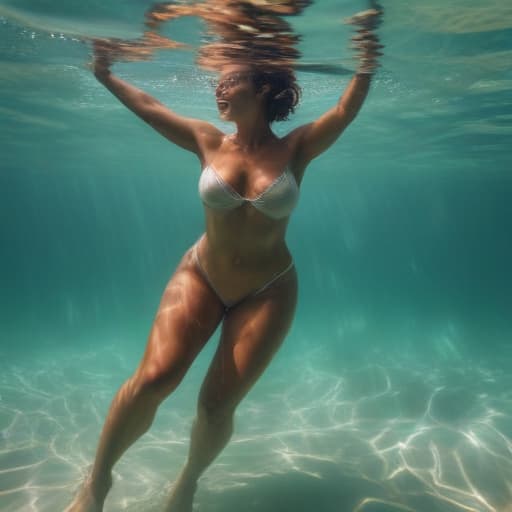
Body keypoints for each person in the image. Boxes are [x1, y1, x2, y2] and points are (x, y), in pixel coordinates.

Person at [66, 5, 383, 512]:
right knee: (154, 378)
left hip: (269, 289)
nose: (217, 87)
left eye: (229, 79)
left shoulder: (298, 147)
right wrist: (105, 74)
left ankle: (188, 482)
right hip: (202, 274)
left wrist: (367, 58)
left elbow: (343, 111)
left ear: (260, 88)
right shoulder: (207, 139)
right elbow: (148, 105)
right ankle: (96, 483)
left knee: (215, 407)